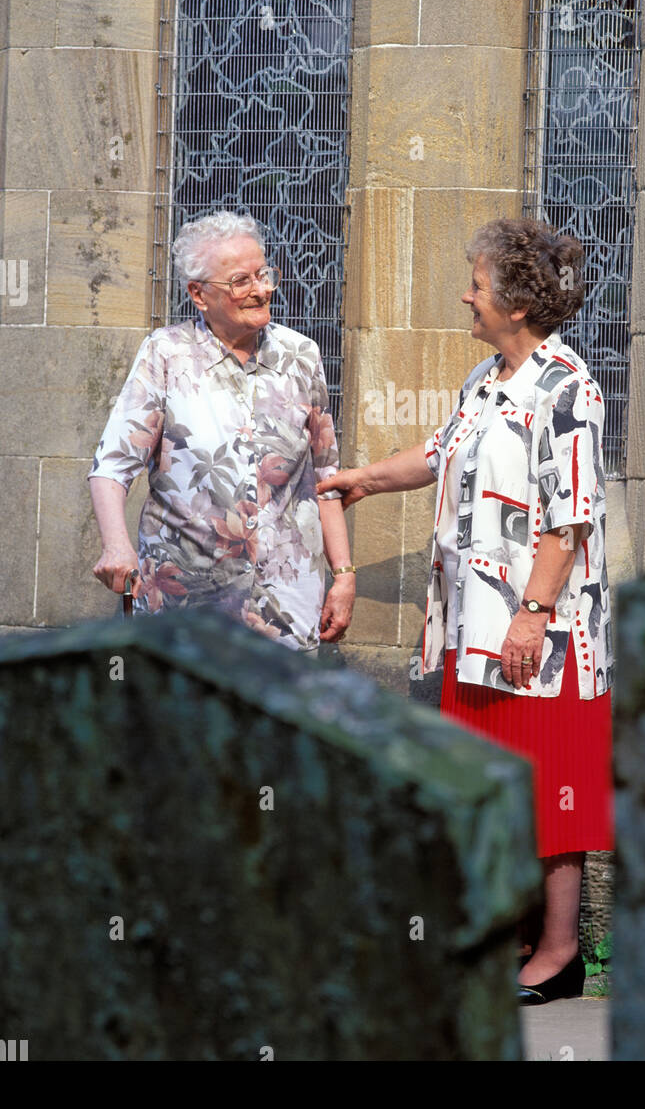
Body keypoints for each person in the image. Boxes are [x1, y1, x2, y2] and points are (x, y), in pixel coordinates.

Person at [318, 217, 612, 1004]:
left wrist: (533, 613)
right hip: (470, 626)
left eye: (477, 284)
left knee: (553, 788)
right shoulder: (486, 381)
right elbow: (438, 450)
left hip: (540, 632)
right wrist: (362, 481)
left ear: (516, 303)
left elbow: (569, 515)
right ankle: (509, 938)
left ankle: (559, 956)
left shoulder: (568, 387)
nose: (466, 295)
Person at [89, 210, 355, 651]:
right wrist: (116, 547)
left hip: (285, 604)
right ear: (199, 294)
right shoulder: (166, 355)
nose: (261, 290)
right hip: (188, 603)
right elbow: (111, 467)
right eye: (241, 281)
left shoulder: (301, 356)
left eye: (264, 274)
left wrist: (344, 575)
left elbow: (327, 477)